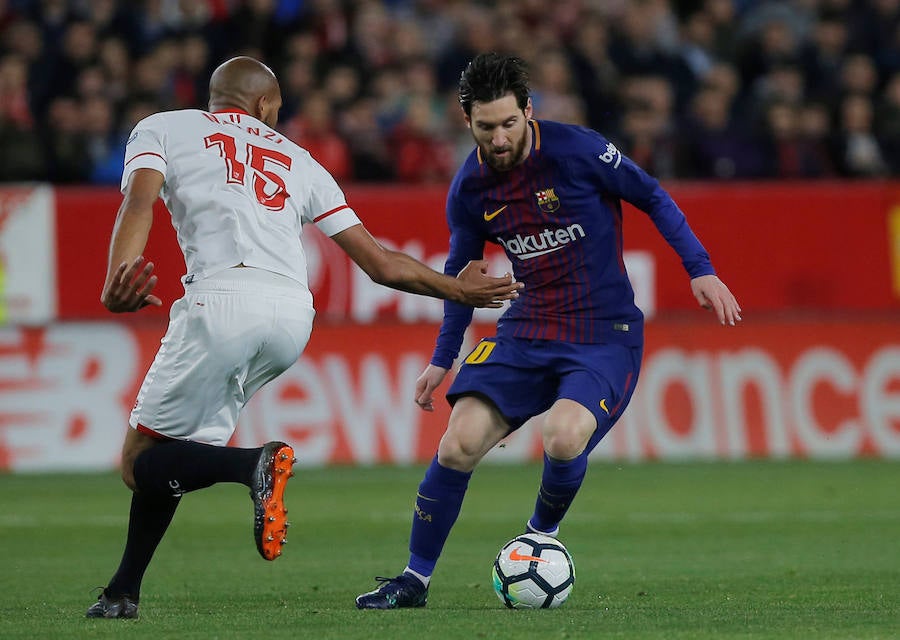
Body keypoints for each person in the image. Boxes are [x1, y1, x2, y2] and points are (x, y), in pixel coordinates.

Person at [86, 55, 522, 619]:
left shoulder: (164, 126)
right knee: (174, 454)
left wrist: (117, 275)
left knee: (139, 462)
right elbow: (381, 264)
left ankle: (254, 467)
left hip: (220, 300)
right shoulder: (300, 160)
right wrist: (458, 291)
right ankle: (124, 591)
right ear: (265, 106)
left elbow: (139, 201)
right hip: (293, 315)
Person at [355, 52, 742, 609]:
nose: (499, 138)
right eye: (486, 128)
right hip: (527, 327)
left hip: (604, 332)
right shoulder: (469, 189)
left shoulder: (580, 151)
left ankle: (538, 540)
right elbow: (461, 280)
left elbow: (652, 195)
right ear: (467, 121)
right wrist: (443, 357)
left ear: (528, 112)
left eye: (509, 123)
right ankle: (413, 581)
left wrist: (700, 269)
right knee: (458, 442)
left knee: (562, 435)